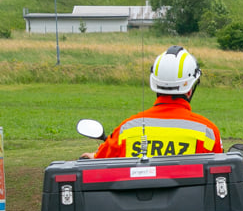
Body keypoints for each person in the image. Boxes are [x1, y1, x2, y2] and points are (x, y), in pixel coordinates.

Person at [87, 46, 222, 159]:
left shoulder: (127, 129)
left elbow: (101, 159)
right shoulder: (207, 132)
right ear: (189, 90)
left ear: (155, 84)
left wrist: (90, 156)